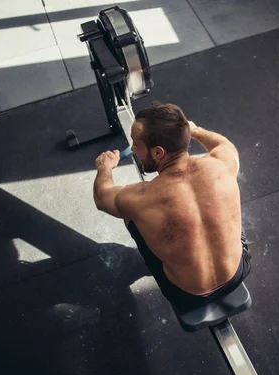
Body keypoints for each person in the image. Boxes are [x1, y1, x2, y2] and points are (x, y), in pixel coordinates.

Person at [93, 103, 251, 312]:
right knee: (220, 202)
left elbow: (101, 198)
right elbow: (223, 143)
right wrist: (195, 130)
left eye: (136, 144)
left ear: (158, 153)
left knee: (129, 215)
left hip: (187, 295)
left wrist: (105, 168)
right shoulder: (222, 163)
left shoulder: (138, 198)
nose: (132, 149)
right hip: (237, 273)